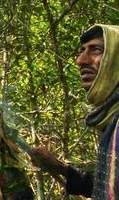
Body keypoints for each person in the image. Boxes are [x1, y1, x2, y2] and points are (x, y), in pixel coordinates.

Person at [31, 24, 119, 198]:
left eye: (96, 50)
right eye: (82, 50)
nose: (80, 60)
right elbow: (110, 187)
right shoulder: (111, 119)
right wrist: (62, 169)